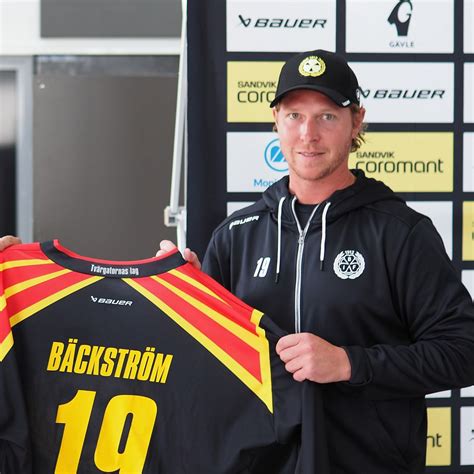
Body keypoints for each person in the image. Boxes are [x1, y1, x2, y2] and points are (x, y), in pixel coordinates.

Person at [2, 49, 474, 473]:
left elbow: (463, 351)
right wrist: (178, 296)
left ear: (356, 122)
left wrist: (349, 363)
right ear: (275, 121)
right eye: (294, 115)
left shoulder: (401, 232)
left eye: (327, 116)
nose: (308, 134)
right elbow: (201, 365)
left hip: (367, 464)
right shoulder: (236, 234)